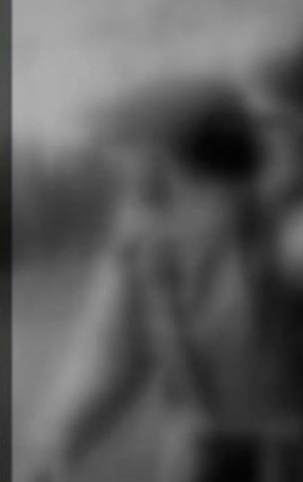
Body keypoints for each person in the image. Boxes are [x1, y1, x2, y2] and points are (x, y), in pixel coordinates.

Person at [28, 71, 303, 482]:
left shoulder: (279, 214)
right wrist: (59, 437)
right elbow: (111, 348)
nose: (117, 161)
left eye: (125, 145)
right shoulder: (145, 235)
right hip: (202, 448)